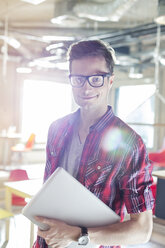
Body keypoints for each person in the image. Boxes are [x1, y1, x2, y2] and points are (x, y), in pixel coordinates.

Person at [33, 40, 154, 248]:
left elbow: (142, 230)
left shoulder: (130, 143)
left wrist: (79, 235)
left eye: (96, 78)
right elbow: (49, 195)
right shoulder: (57, 129)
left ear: (110, 81)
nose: (86, 87)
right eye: (78, 79)